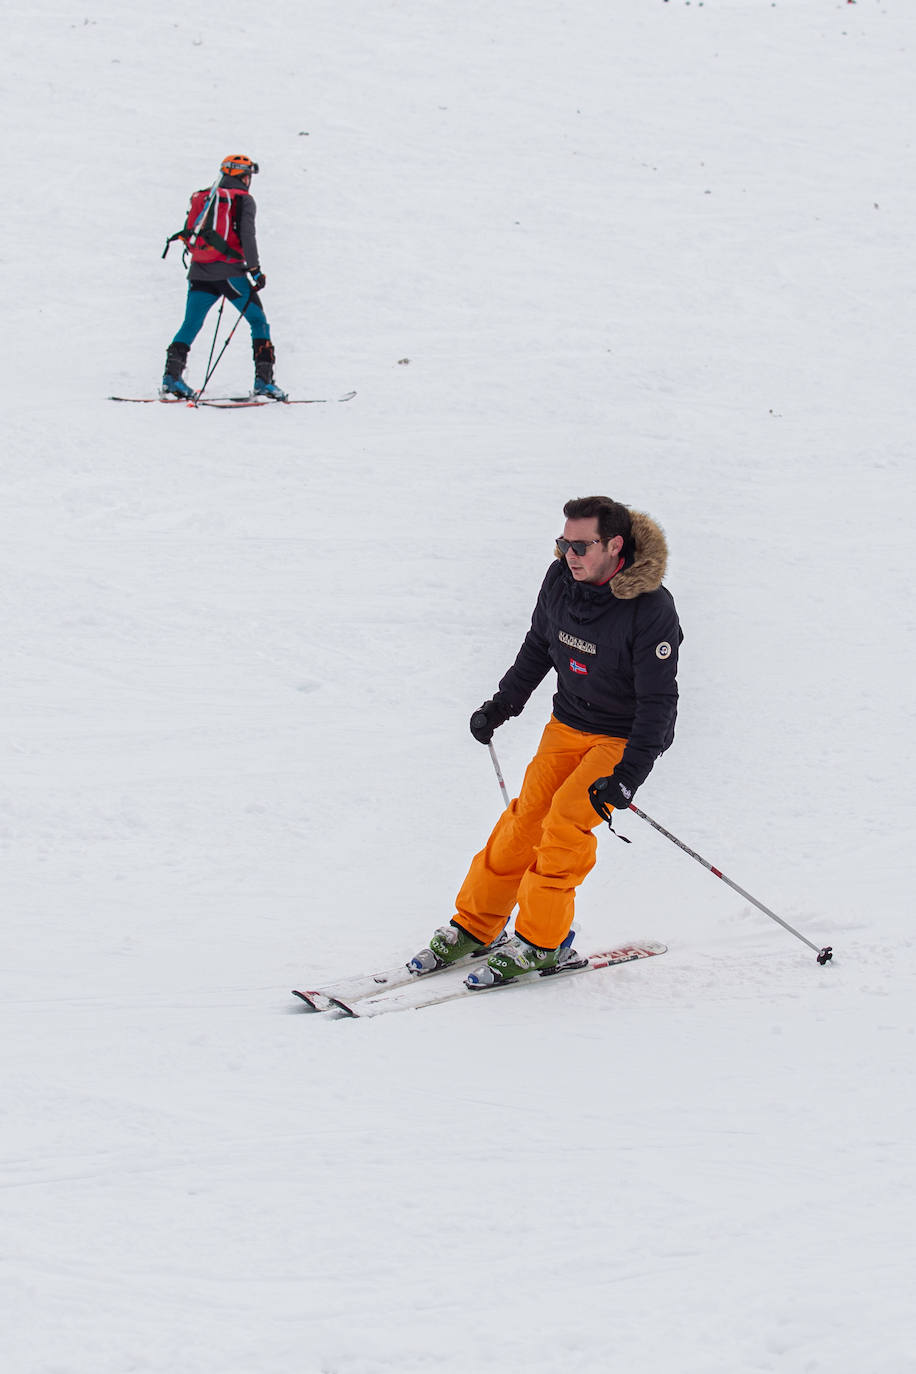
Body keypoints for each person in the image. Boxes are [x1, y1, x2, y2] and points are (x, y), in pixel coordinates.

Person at [411, 494, 682, 986]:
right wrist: (501, 705)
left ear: (615, 545)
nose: (568, 554)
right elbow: (541, 644)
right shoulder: (561, 579)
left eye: (581, 545)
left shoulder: (651, 609)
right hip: (567, 724)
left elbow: (660, 705)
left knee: (563, 827)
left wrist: (627, 778)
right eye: (563, 542)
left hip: (619, 739)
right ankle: (477, 927)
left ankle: (543, 942)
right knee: (524, 821)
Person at [161, 154, 287, 400]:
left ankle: (171, 378)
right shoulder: (244, 200)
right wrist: (255, 270)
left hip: (199, 271)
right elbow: (248, 237)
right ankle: (264, 383)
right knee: (258, 320)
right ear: (243, 176)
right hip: (230, 273)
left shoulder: (205, 197)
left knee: (191, 324)